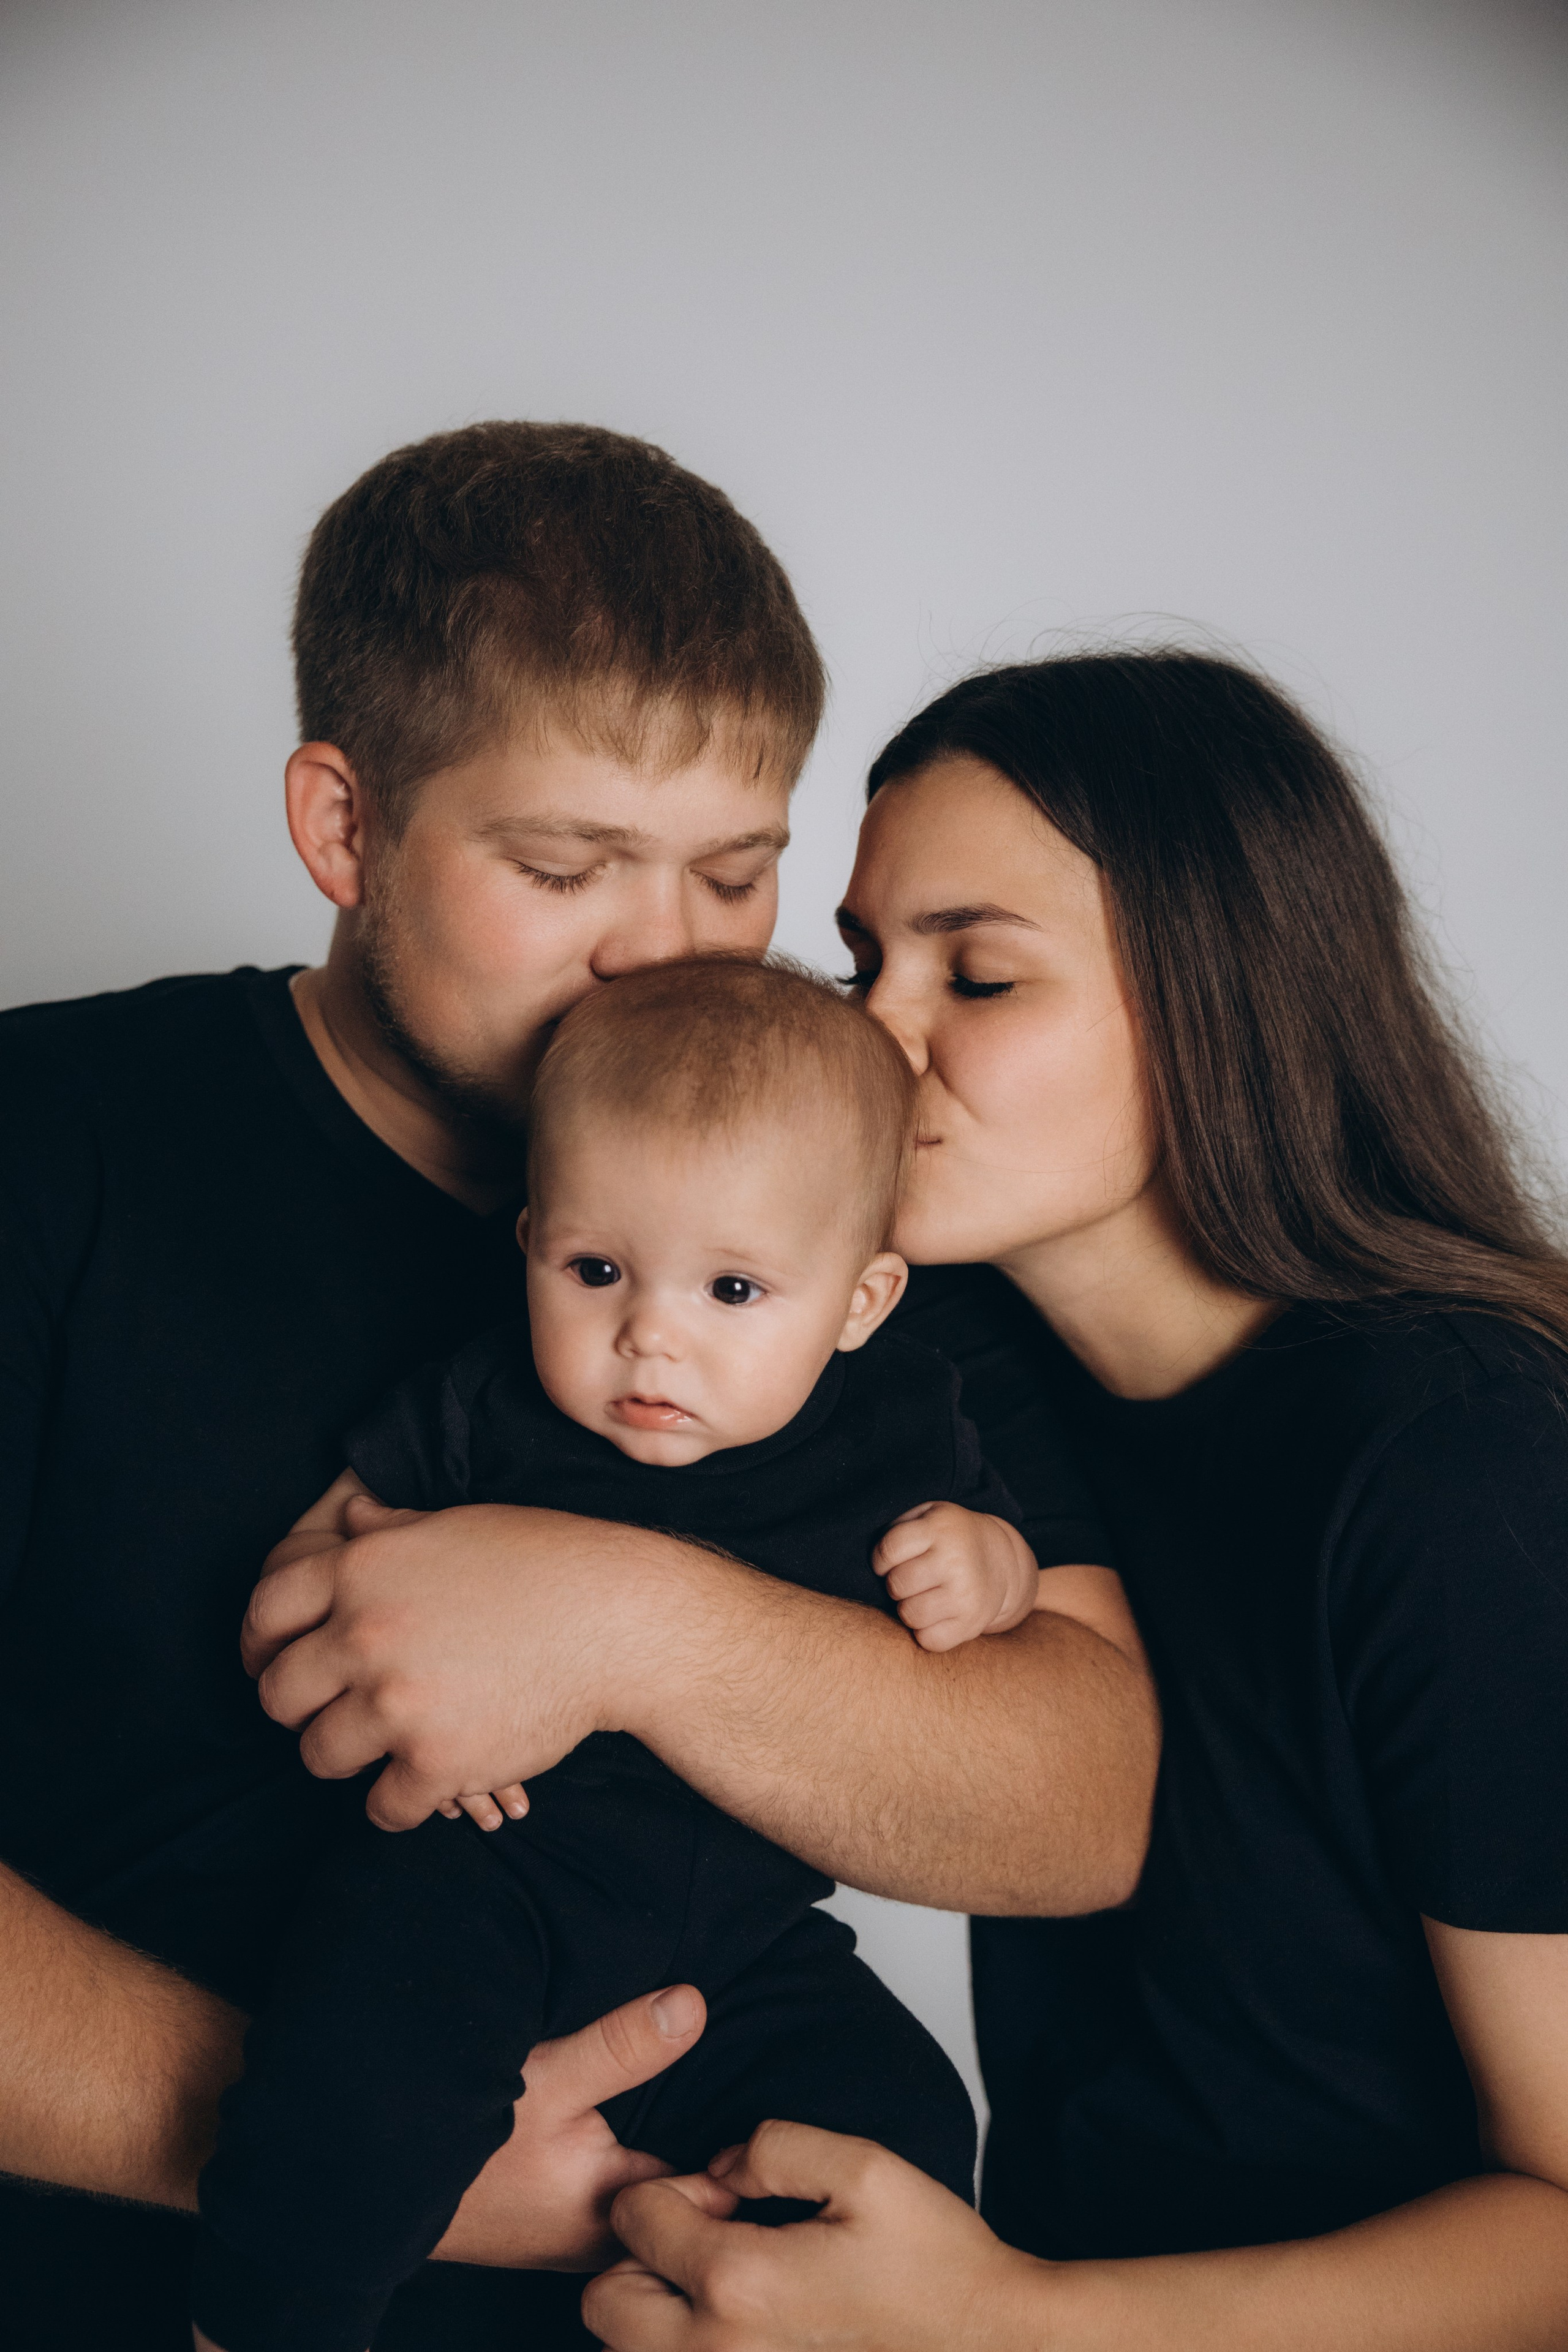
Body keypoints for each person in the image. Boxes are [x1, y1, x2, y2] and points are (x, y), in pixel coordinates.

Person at [0, 429, 1154, 2350]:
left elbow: (1080, 1803)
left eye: (735, 874)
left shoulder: (837, 1219)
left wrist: (623, 1626)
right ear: (346, 826)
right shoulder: (53, 1144)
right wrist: (316, 2146)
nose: (661, 955)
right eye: (563, 868)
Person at [556, 652, 1568, 2351]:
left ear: (1221, 995)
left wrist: (1003, 2325)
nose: (875, 1036)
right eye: (865, 957)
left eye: (984, 974)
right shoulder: (930, 1374)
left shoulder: (1462, 1464)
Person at [193, 956, 1058, 2352]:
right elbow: (315, 1568)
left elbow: (1009, 1573)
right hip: (489, 1869)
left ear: (860, 1300)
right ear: (529, 1241)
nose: (650, 1334)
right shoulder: (487, 1404)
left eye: (733, 1288)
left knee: (897, 2114)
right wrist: (353, 1618)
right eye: (595, 1269)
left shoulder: (897, 1424)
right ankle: (262, 2322)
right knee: (357, 2080)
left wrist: (988, 1565)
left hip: (746, 1940)